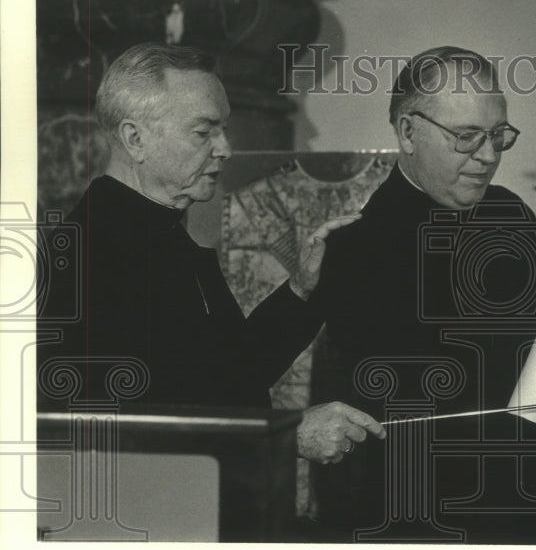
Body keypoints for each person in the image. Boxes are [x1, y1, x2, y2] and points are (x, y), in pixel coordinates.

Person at [308, 47, 536, 542]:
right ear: (408, 132)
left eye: (497, 136)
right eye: (465, 138)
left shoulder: (506, 211)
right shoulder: (358, 250)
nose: (487, 157)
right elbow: (425, 420)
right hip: (427, 524)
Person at [37, 42, 384, 467]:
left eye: (223, 129)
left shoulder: (160, 232)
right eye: (204, 132)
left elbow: (233, 371)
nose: (225, 148)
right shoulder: (84, 254)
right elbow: (118, 426)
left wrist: (302, 288)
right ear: (134, 138)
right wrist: (285, 433)